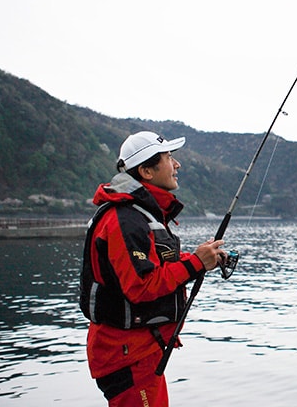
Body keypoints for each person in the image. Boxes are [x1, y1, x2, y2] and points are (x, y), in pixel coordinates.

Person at [79, 131, 226, 406]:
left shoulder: (137, 214)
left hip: (139, 354)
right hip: (127, 357)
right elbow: (141, 285)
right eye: (170, 157)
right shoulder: (125, 219)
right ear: (146, 171)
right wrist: (196, 263)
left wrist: (201, 257)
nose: (177, 165)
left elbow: (152, 263)